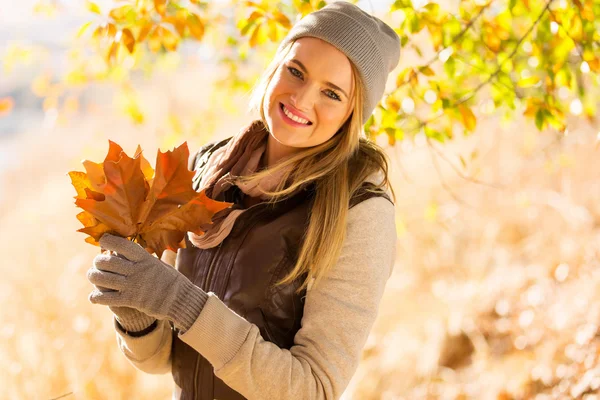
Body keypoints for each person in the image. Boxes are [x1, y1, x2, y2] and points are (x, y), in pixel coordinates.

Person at [86, 1, 400, 399]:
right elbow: (163, 361)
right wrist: (136, 316)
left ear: (352, 114)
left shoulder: (359, 208)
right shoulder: (209, 169)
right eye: (296, 71)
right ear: (275, 67)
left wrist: (179, 300)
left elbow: (313, 388)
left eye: (332, 93)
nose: (301, 100)